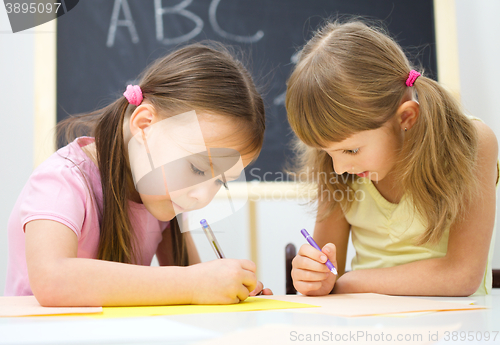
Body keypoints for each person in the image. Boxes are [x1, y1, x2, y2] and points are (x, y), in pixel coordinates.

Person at [5, 42, 272, 306]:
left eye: (220, 182)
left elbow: (194, 283)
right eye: (197, 168)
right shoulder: (62, 180)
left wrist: (227, 288)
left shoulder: (162, 194)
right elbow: (52, 280)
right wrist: (193, 284)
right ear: (145, 125)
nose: (202, 197)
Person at [286, 20, 498, 296]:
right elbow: (326, 272)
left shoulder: (471, 143)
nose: (339, 168)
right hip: (369, 328)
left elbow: (461, 276)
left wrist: (347, 283)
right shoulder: (338, 163)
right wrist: (314, 277)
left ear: (406, 117)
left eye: (351, 151)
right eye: (327, 152)